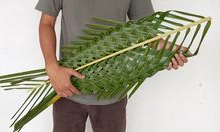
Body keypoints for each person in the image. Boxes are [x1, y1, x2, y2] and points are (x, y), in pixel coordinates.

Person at [35, 0, 188, 132]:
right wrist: (52, 67)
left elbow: (147, 35)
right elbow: (46, 23)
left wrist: (169, 51)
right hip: (67, 87)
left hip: (112, 89)